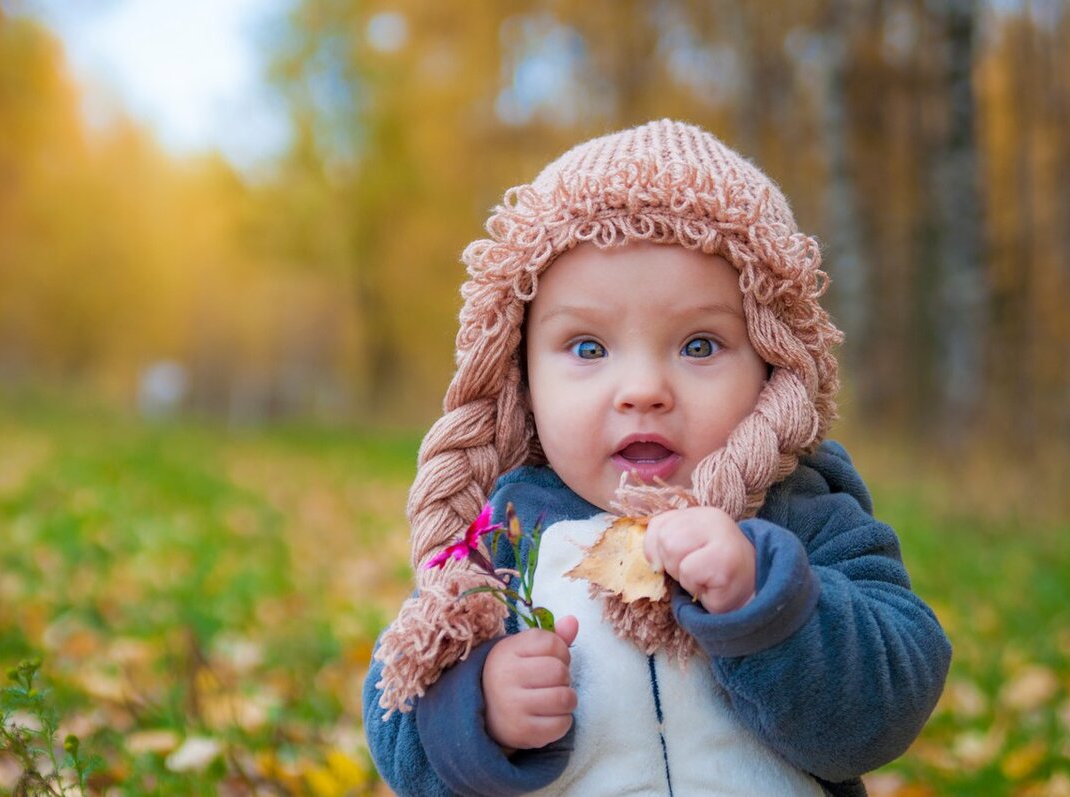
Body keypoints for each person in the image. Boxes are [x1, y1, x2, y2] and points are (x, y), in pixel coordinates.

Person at [361, 119, 951, 797]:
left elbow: (889, 706)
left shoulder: (804, 511)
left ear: (774, 363)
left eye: (699, 345)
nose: (643, 390)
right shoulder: (505, 534)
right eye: (588, 348)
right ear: (521, 375)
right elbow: (397, 711)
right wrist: (478, 709)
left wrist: (768, 604)